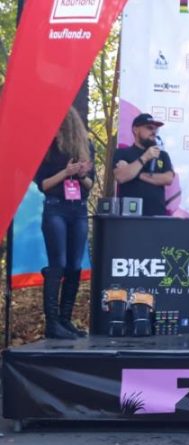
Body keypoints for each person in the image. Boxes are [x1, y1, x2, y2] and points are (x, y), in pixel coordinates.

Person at [34, 106, 94, 339]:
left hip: (78, 209)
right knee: (57, 263)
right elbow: (43, 185)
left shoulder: (86, 146)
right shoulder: (47, 147)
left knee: (75, 266)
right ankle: (52, 323)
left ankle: (65, 319)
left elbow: (89, 185)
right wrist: (66, 172)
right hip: (55, 207)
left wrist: (81, 174)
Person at [113, 113, 175, 216]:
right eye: (149, 128)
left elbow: (168, 179)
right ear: (135, 130)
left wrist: (136, 174)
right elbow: (120, 177)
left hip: (157, 216)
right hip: (129, 216)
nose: (153, 132)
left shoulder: (162, 155)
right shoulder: (122, 153)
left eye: (155, 129)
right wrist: (145, 157)